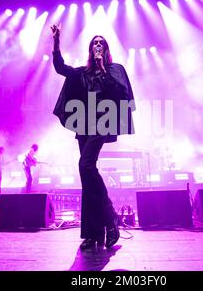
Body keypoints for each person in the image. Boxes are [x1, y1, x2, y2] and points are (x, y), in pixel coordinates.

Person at [51, 24, 135, 250]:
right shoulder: (82, 72)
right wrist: (56, 41)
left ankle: (110, 219)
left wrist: (103, 68)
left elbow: (121, 92)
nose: (97, 45)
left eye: (101, 42)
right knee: (86, 177)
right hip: (84, 124)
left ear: (105, 49)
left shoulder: (115, 69)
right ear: (90, 49)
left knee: (86, 165)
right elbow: (60, 68)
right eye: (94, 42)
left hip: (102, 122)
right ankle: (93, 234)